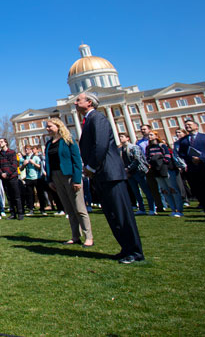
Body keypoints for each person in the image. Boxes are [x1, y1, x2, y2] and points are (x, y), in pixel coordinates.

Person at [76, 92, 143, 264]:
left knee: (122, 214)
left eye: (79, 100)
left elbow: (101, 145)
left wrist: (90, 167)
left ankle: (135, 252)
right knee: (113, 215)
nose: (75, 102)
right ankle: (126, 248)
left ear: (89, 102)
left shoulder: (97, 118)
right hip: (103, 175)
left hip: (110, 174)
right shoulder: (89, 120)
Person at [45, 117, 93, 245]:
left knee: (79, 208)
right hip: (56, 177)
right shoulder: (49, 144)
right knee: (69, 208)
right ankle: (75, 236)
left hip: (70, 176)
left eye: (50, 126)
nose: (47, 129)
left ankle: (89, 237)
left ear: (58, 126)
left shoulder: (68, 140)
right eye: (47, 126)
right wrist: (49, 179)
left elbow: (77, 161)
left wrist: (77, 180)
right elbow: (48, 163)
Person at [118, 133, 156, 216]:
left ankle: (152, 208)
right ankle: (141, 209)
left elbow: (137, 159)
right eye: (119, 137)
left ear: (127, 138)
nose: (120, 138)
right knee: (136, 192)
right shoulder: (120, 150)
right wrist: (125, 171)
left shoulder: (134, 147)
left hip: (138, 171)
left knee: (146, 190)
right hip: (129, 173)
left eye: (122, 137)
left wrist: (128, 169)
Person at [146, 132, 180, 217]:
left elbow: (167, 156)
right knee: (164, 190)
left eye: (151, 135)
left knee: (172, 189)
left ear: (156, 136)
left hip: (165, 169)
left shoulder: (162, 145)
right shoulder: (149, 147)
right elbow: (147, 157)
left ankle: (179, 209)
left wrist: (163, 163)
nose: (149, 137)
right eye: (149, 135)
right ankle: (172, 209)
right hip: (156, 170)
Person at [0, 138, 23, 220]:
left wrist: (7, 173)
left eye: (1, 142)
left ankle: (20, 213)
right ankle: (12, 213)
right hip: (4, 178)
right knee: (9, 196)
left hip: (12, 177)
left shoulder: (12, 152)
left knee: (16, 196)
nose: (0, 143)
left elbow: (14, 165)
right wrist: (1, 173)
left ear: (6, 143)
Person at [20, 146, 47, 215]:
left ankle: (42, 209)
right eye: (25, 149)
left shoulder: (35, 157)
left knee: (40, 194)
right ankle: (31, 209)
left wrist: (34, 163)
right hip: (28, 178)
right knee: (30, 195)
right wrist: (23, 164)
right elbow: (21, 169)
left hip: (37, 178)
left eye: (28, 149)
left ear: (31, 150)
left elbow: (40, 167)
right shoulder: (23, 158)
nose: (26, 150)